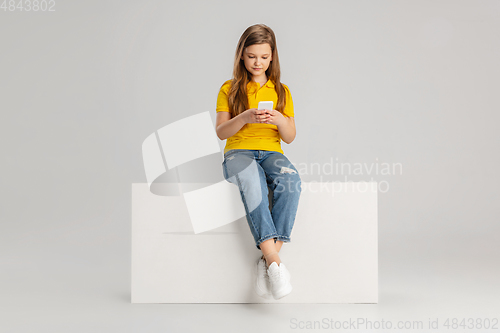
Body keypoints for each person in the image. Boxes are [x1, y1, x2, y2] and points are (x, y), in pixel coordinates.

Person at [215, 24, 302, 300]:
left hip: (272, 154)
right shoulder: (229, 88)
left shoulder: (282, 91)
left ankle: (268, 260)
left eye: (264, 57)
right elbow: (221, 132)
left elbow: (289, 137)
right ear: (242, 55)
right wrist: (244, 118)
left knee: (291, 181)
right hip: (238, 154)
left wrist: (279, 119)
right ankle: (275, 265)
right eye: (252, 56)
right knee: (254, 183)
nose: (258, 62)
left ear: (272, 57)